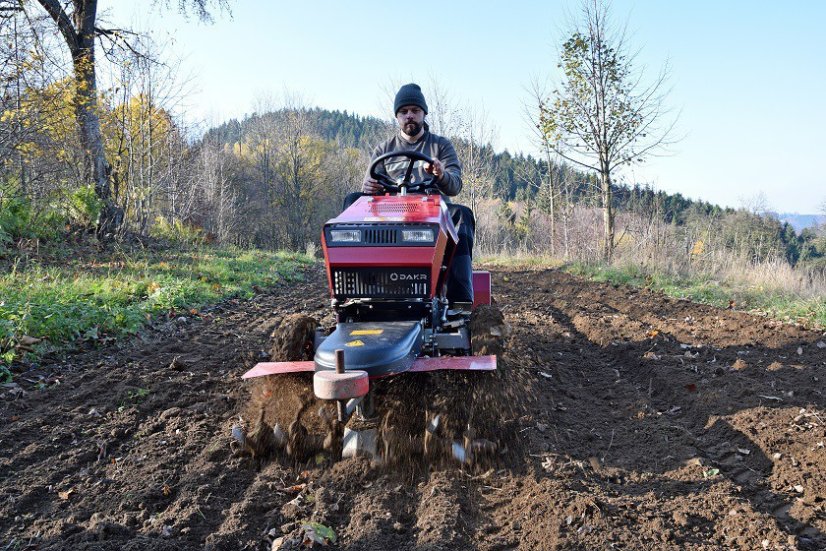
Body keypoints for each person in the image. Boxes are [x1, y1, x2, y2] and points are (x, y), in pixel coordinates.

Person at [342, 83, 475, 306]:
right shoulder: (384, 149)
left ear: (423, 113)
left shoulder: (440, 146)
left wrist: (441, 174)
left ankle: (460, 299)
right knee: (351, 201)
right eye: (404, 112)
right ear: (397, 117)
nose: (409, 116)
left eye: (415, 110)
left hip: (431, 211)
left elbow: (454, 186)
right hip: (390, 212)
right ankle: (354, 288)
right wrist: (369, 188)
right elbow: (369, 185)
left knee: (463, 215)